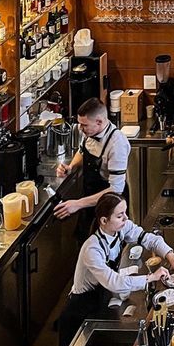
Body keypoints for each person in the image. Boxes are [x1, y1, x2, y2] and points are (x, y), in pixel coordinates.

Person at [58, 192, 174, 346]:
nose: (126, 219)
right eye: (120, 216)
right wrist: (151, 277)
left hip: (100, 301)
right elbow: (114, 282)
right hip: (79, 312)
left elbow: (149, 239)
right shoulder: (92, 249)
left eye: (125, 213)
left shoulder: (120, 229)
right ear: (104, 221)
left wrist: (171, 256)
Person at [54, 98, 131, 243]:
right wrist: (71, 167)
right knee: (84, 241)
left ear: (100, 122)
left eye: (84, 125)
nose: (80, 129)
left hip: (110, 205)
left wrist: (77, 204)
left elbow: (115, 189)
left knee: (106, 247)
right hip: (90, 195)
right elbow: (83, 151)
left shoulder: (117, 144)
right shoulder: (89, 132)